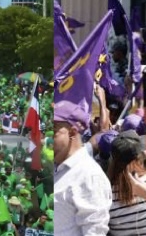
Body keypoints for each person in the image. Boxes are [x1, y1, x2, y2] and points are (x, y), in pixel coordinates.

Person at [53, 99, 112, 236]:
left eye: (53, 130)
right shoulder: (57, 169)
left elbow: (94, 232)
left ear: (72, 133)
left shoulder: (89, 175)